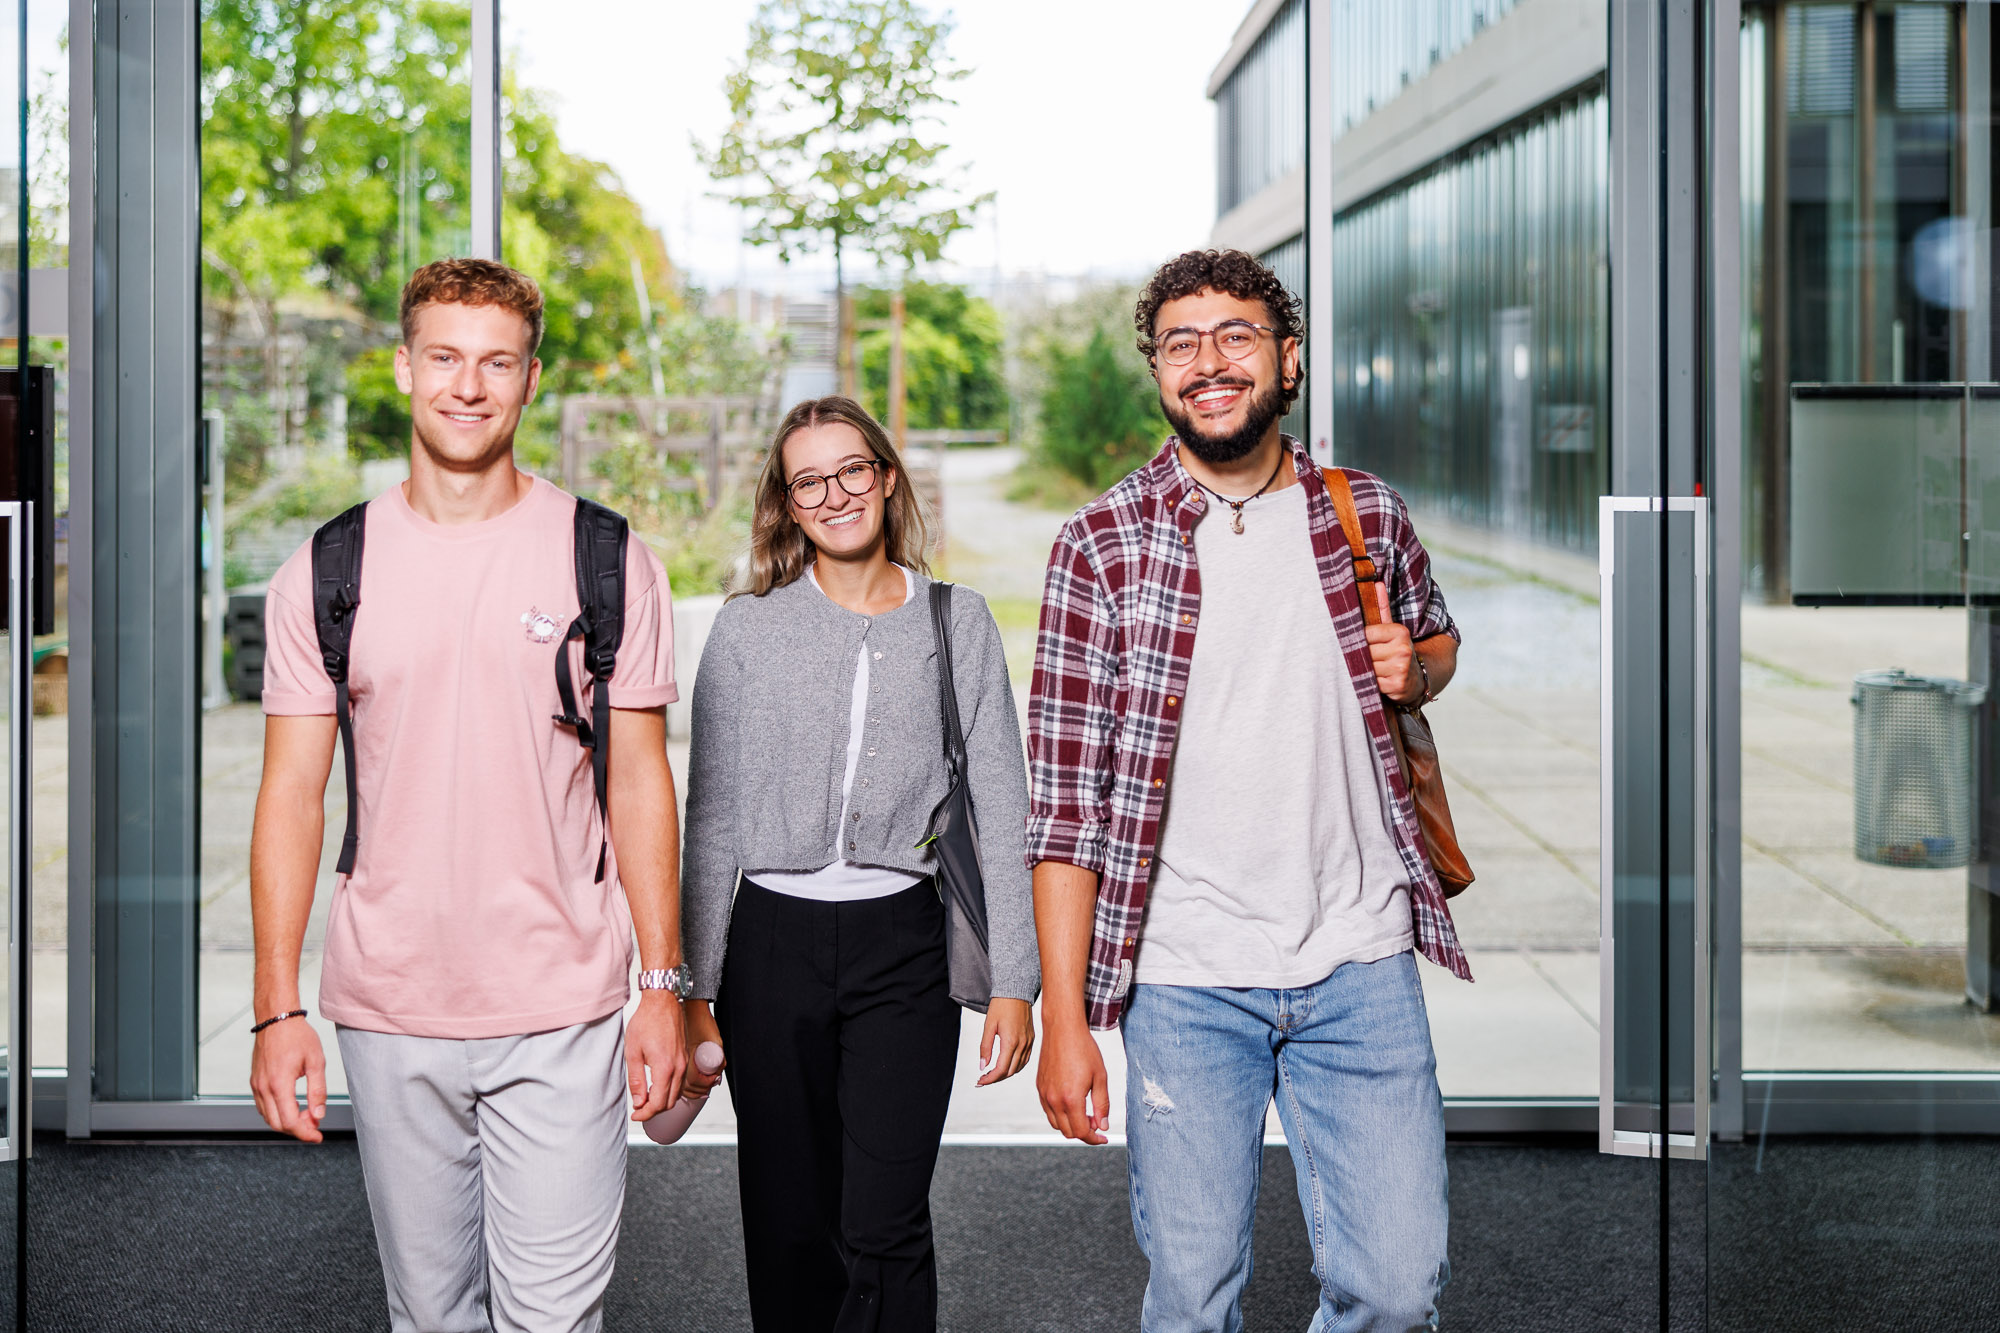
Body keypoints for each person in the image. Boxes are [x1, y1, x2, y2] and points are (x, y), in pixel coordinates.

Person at [1027, 249, 1468, 1332]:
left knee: (1395, 1290)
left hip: (1358, 958)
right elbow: (1066, 808)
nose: (1208, 362)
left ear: (1287, 358)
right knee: (1191, 1299)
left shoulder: (1364, 514)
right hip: (1183, 973)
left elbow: (1434, 642)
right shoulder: (1098, 545)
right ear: (1157, 370)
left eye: (1235, 335)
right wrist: (1065, 1019)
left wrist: (1418, 669)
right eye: (1180, 343)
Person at [247, 258, 688, 1333]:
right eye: (444, 357)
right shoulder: (326, 571)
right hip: (390, 1000)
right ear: (404, 367)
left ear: (531, 380)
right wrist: (274, 1005)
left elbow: (639, 779)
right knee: (430, 1314)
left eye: (497, 363)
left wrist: (663, 981)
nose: (468, 385)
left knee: (553, 1319)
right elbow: (291, 795)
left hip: (563, 1001)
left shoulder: (604, 557)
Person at [679, 395, 1039, 1332]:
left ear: (885, 478)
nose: (835, 495)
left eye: (852, 470)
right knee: (789, 1217)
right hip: (769, 947)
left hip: (904, 948)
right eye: (810, 481)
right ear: (787, 504)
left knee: (886, 1219)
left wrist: (1015, 981)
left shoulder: (959, 621)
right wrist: (693, 987)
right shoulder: (747, 629)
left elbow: (1002, 806)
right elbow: (709, 817)